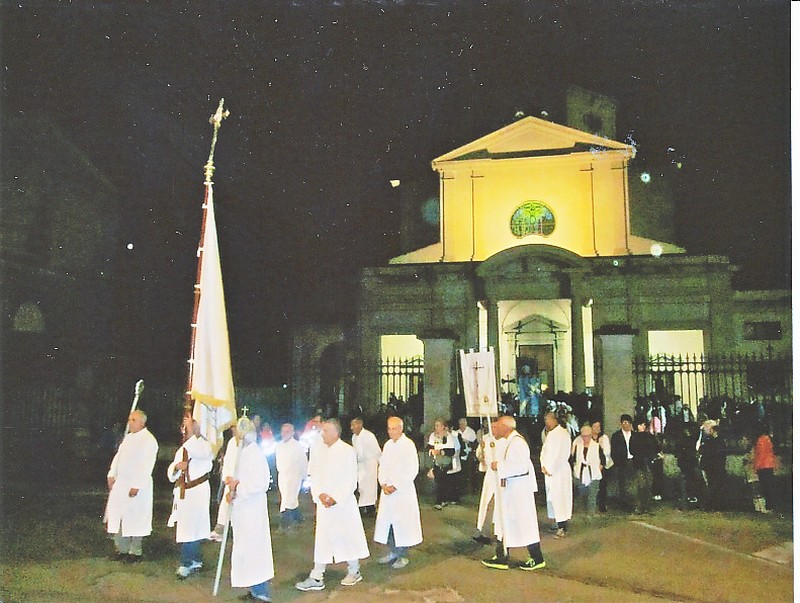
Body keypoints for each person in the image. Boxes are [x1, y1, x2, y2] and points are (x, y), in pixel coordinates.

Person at [295, 418, 370, 592]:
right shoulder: (321, 452)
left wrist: (335, 497)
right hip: (324, 505)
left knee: (347, 536)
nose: (322, 434)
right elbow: (315, 476)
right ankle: (317, 575)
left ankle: (354, 570)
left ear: (336, 433)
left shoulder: (347, 451)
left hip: (342, 505)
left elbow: (351, 479)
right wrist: (319, 494)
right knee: (323, 540)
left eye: (326, 431)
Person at [481, 416, 546, 572]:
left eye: (496, 427)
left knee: (524, 525)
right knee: (504, 522)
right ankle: (502, 556)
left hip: (518, 493)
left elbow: (520, 467)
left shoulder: (517, 443)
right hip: (510, 490)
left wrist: (499, 466)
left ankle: (537, 558)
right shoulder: (509, 441)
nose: (494, 430)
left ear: (506, 427)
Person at [227, 417, 274, 602]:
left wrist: (237, 487)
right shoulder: (242, 453)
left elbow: (260, 484)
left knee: (255, 549)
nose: (236, 437)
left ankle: (261, 592)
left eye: (238, 434)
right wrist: (232, 488)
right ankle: (254, 588)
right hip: (242, 510)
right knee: (245, 549)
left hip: (253, 511)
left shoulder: (255, 454)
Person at [105, 410, 159, 562]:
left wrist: (137, 485)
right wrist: (111, 474)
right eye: (129, 419)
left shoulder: (149, 441)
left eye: (133, 420)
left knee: (136, 518)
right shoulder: (128, 438)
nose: (130, 422)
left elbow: (147, 465)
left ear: (142, 422)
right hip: (121, 483)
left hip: (137, 486)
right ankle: (121, 549)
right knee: (118, 515)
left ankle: (135, 551)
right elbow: (118, 457)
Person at [167, 416, 214, 579]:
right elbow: (173, 470)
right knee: (189, 528)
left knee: (190, 529)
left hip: (197, 491)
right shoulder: (184, 448)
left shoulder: (203, 445)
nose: (184, 430)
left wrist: (193, 431)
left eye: (187, 427)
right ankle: (194, 559)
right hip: (185, 492)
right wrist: (176, 467)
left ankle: (187, 562)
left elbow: (203, 453)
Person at [374, 416, 423, 569]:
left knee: (402, 525)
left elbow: (411, 469)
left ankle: (403, 555)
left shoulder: (408, 445)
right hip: (387, 493)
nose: (391, 432)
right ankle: (393, 551)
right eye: (389, 428)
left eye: (394, 428)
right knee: (389, 524)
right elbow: (382, 465)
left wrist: (396, 485)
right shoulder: (388, 445)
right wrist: (383, 483)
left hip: (402, 493)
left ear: (401, 428)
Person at [473, 419, 507, 544]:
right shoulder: (486, 438)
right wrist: (481, 451)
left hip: (501, 474)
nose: (492, 429)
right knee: (486, 503)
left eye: (494, 426)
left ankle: (500, 533)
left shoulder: (504, 439)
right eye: (490, 426)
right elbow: (481, 457)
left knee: (499, 504)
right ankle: (484, 531)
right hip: (490, 475)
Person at [540, 411, 572, 538]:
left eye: (547, 419)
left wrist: (551, 468)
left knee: (560, 499)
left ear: (554, 420)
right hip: (549, 472)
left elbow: (561, 454)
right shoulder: (551, 434)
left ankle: (562, 526)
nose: (546, 422)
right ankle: (555, 522)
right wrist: (544, 466)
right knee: (552, 498)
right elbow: (544, 452)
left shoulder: (562, 434)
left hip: (559, 472)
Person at [275, 422, 307, 530]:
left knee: (288, 500)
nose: (285, 434)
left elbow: (303, 462)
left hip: (294, 476)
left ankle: (284, 524)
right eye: (283, 431)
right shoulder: (279, 445)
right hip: (283, 476)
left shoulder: (297, 446)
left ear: (292, 433)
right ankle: (298, 517)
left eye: (287, 431)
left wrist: (304, 476)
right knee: (288, 499)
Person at [427, 418, 461, 509]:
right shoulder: (433, 436)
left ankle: (440, 501)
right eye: (435, 426)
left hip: (446, 462)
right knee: (439, 480)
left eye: (438, 426)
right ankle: (442, 500)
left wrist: (441, 452)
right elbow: (429, 446)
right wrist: (432, 451)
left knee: (441, 480)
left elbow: (451, 451)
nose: (436, 428)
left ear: (443, 427)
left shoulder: (449, 437)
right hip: (437, 461)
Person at [351, 417, 382, 517]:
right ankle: (361, 506)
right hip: (360, 465)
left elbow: (377, 451)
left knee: (370, 487)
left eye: (353, 425)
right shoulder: (354, 437)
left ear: (359, 425)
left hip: (370, 464)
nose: (351, 428)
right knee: (361, 486)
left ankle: (370, 508)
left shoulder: (369, 436)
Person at [571, 425, 604, 517]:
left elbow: (603, 460)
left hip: (594, 474)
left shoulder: (597, 446)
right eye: (583, 436)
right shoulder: (578, 446)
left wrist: (598, 469)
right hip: (580, 473)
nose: (585, 438)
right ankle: (582, 512)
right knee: (582, 494)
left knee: (592, 495)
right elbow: (573, 460)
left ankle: (591, 514)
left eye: (587, 436)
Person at [629, 417, 660, 515]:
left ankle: (646, 506)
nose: (642, 427)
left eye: (643, 425)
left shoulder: (649, 436)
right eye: (640, 425)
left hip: (648, 463)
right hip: (639, 463)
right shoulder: (634, 437)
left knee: (648, 485)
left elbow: (656, 447)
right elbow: (632, 450)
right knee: (641, 485)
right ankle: (640, 506)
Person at [698, 419, 726, 511]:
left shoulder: (716, 442)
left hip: (714, 467)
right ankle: (713, 505)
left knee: (714, 486)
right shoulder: (714, 441)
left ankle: (714, 505)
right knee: (713, 486)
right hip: (712, 467)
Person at [610, 414, 635, 511]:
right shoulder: (616, 436)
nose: (626, 425)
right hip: (622, 462)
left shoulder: (634, 435)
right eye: (624, 422)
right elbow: (614, 450)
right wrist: (617, 461)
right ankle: (624, 504)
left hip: (633, 460)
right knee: (623, 484)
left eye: (628, 423)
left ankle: (632, 503)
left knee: (632, 483)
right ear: (621, 423)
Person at [752, 423, 777, 511]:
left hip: (763, 466)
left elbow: (760, 455)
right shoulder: (768, 439)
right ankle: (771, 505)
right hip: (769, 464)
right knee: (769, 486)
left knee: (765, 487)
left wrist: (755, 467)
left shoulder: (760, 440)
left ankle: (769, 506)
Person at [590, 420, 612, 512]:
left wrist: (602, 464)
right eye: (595, 427)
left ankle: (602, 504)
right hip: (590, 465)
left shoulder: (604, 438)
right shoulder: (588, 438)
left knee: (602, 486)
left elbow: (607, 452)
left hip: (601, 465)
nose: (597, 429)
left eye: (599, 427)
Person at [456, 418, 478, 495]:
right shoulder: (457, 432)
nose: (461, 426)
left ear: (466, 424)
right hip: (459, 454)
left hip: (469, 454)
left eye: (462, 424)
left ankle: (471, 489)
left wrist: (467, 441)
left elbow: (474, 444)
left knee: (470, 472)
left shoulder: (471, 432)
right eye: (460, 424)